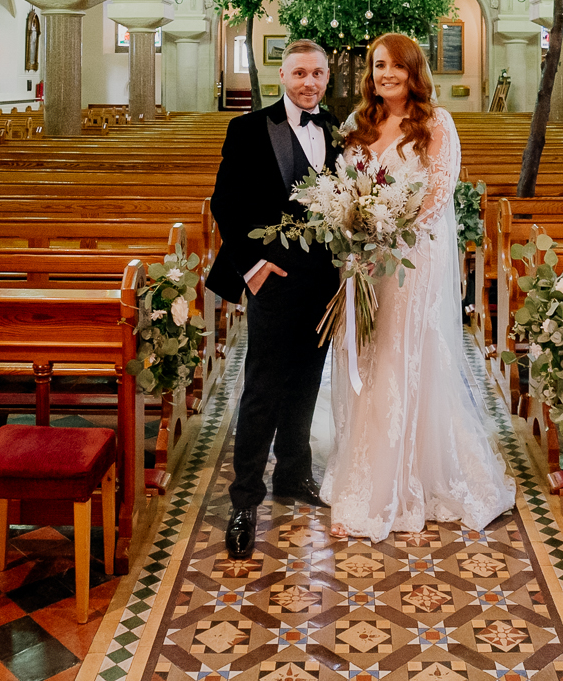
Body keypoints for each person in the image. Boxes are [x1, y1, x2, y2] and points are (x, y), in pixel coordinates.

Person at [322, 33, 514, 541]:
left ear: (414, 72)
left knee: (403, 356)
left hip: (410, 260)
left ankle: (405, 479)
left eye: (397, 67)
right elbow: (343, 190)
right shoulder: (359, 126)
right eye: (378, 65)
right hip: (365, 261)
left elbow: (438, 192)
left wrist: (385, 230)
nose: (386, 74)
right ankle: (365, 469)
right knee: (369, 354)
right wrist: (354, 229)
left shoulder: (436, 123)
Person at [207, 41, 341, 558]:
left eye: (318, 74)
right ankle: (244, 500)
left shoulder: (334, 128)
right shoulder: (247, 128)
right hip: (272, 277)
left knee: (307, 381)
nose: (310, 83)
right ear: (283, 75)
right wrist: (254, 267)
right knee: (262, 388)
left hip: (322, 281)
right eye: (300, 73)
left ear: (327, 78)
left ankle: (293, 473)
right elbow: (226, 202)